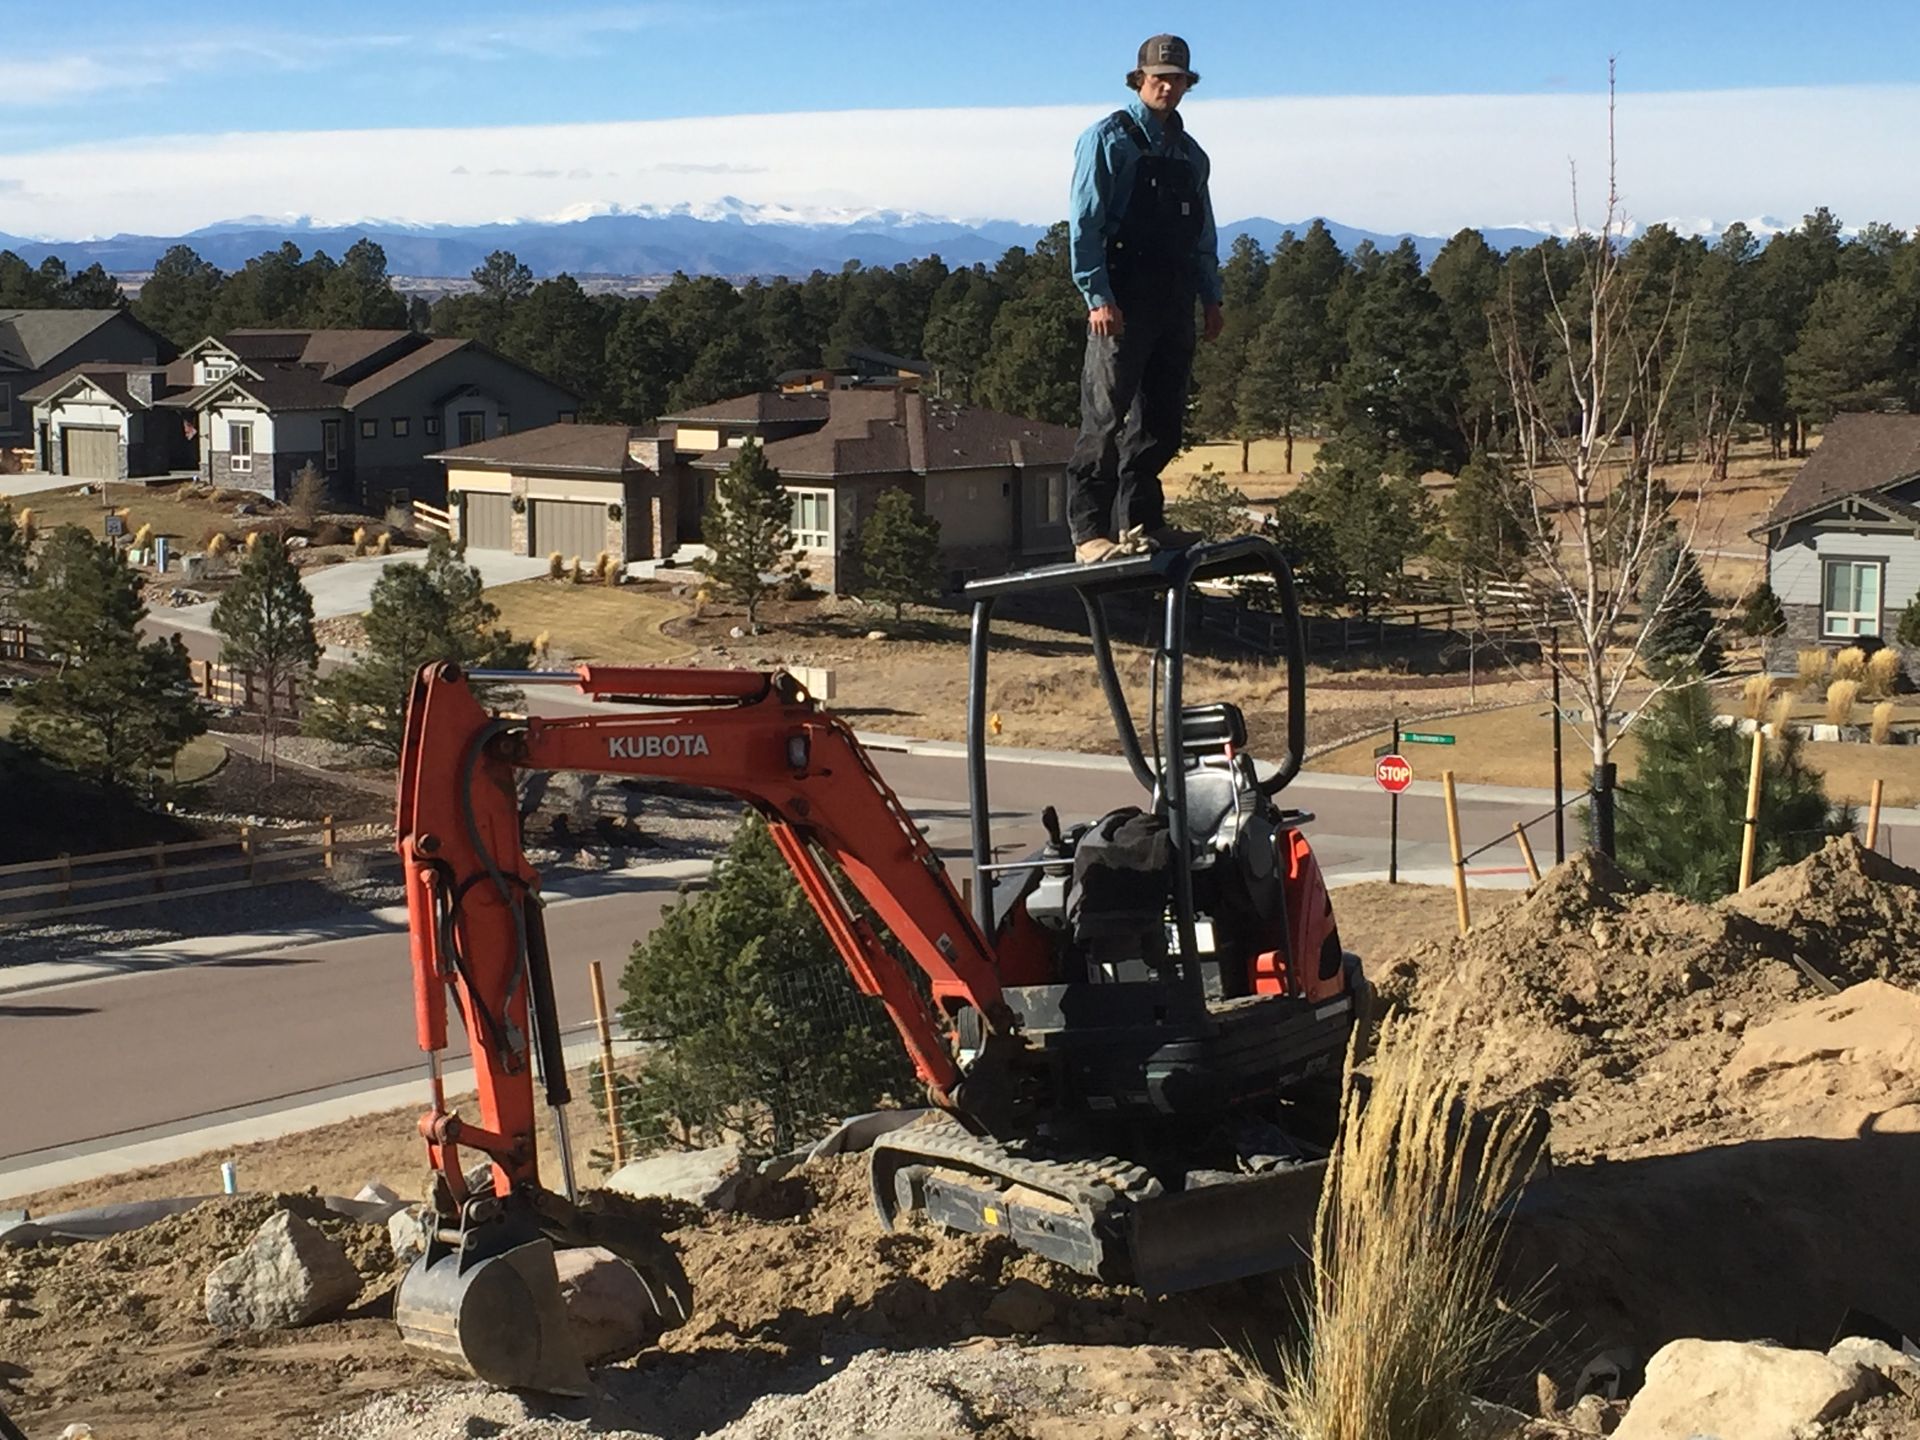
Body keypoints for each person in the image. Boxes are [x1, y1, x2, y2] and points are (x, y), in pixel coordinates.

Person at [1065, 33, 1225, 564]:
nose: (1167, 85)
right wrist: (1097, 295)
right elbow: (1084, 224)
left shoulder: (1191, 153)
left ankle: (1142, 523)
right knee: (1105, 418)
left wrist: (1212, 297)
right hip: (1121, 294)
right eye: (1158, 77)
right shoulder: (1107, 139)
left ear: (1187, 83)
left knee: (1161, 421)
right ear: (1139, 80)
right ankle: (1090, 533)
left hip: (1175, 295)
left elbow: (1203, 232)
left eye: (1177, 78)